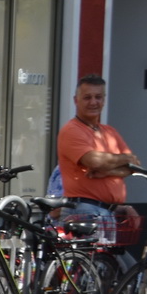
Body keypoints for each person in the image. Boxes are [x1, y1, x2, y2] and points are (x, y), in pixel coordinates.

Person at [57, 75, 137, 243]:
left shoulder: (109, 132)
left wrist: (106, 171)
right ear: (76, 100)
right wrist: (123, 159)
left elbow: (134, 165)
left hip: (107, 213)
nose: (93, 102)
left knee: (108, 259)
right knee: (93, 259)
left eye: (98, 97)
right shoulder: (72, 130)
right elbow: (94, 161)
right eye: (87, 97)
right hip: (85, 211)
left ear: (104, 100)